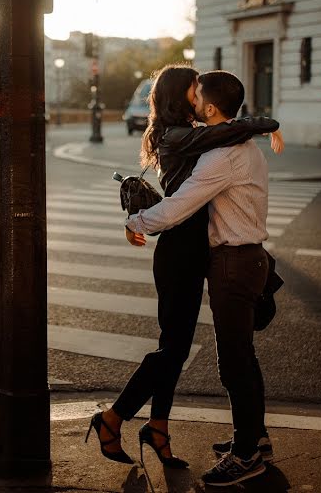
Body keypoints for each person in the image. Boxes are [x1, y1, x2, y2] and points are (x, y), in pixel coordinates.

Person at [87, 65, 279, 470]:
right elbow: (182, 199)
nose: (198, 94)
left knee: (178, 348)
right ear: (183, 97)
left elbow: (223, 133)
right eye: (193, 88)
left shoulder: (191, 137)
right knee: (173, 349)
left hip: (194, 250)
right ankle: (113, 418)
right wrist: (262, 124)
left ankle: (158, 428)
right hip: (180, 249)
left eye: (200, 90)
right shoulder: (182, 137)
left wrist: (254, 126)